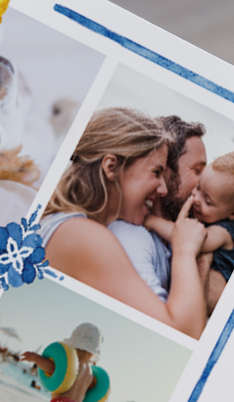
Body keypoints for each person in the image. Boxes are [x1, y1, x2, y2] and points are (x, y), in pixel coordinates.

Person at [41, 108, 208, 340]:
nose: (163, 188)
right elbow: (181, 333)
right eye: (156, 172)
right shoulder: (83, 236)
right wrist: (185, 250)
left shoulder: (72, 226)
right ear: (111, 167)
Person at [145, 150, 234, 314]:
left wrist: (152, 221)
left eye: (208, 201)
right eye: (198, 187)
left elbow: (188, 238)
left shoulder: (224, 231)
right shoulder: (209, 215)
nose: (196, 199)